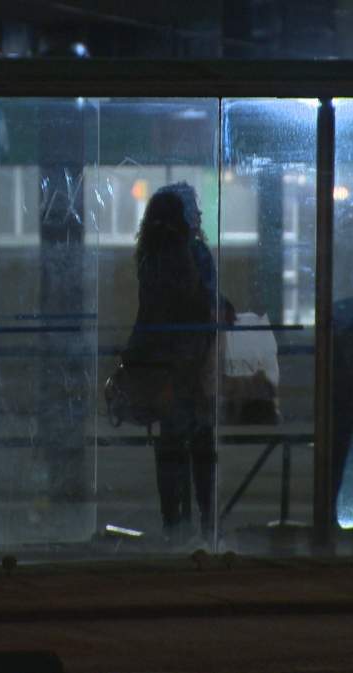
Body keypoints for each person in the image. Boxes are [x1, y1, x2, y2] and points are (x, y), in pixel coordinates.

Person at [125, 182, 218, 545]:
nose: (198, 214)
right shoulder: (194, 253)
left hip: (159, 365)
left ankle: (173, 523)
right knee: (201, 445)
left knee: (169, 445)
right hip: (192, 362)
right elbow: (205, 302)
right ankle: (206, 522)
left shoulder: (149, 256)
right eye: (192, 208)